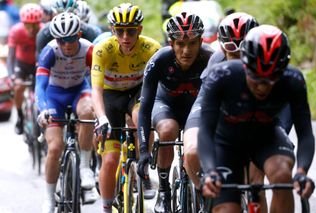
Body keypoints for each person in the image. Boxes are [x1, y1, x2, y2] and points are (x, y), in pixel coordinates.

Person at [198, 25, 315, 213]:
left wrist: (301, 172)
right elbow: (205, 130)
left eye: (271, 79)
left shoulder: (293, 80)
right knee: (228, 209)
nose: (262, 87)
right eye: (256, 78)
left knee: (283, 174)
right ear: (244, 65)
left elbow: (305, 133)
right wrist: (211, 171)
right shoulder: (221, 76)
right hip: (226, 143)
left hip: (266, 137)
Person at [183, 11, 269, 211]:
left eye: (244, 49)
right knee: (193, 152)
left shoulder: (267, 62)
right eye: (232, 50)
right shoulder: (216, 62)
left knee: (256, 182)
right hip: (214, 106)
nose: (238, 59)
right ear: (222, 46)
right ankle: (201, 192)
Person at [137, 12, 213, 213]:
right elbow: (145, 106)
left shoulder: (211, 58)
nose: (186, 50)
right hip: (166, 105)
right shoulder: (160, 59)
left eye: (192, 44)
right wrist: (144, 149)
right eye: (180, 44)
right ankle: (164, 191)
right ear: (171, 43)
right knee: (168, 129)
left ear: (201, 41)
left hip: (196, 108)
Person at [90, 3, 161, 212]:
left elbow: (158, 87)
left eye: (131, 30)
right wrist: (102, 118)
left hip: (137, 92)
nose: (125, 36)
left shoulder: (151, 48)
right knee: (110, 160)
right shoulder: (103, 49)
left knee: (141, 117)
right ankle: (105, 207)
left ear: (139, 29)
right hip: (111, 95)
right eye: (119, 31)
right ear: (112, 30)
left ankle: (144, 168)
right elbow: (96, 91)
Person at [35, 12, 97, 213]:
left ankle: (85, 167)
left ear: (78, 35)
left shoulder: (89, 50)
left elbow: (97, 83)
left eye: (71, 38)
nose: (67, 45)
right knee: (55, 148)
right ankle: (49, 199)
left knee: (88, 112)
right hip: (54, 96)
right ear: (56, 39)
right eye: (62, 40)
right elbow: (40, 86)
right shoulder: (50, 51)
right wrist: (44, 110)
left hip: (79, 90)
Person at [7, 3, 43, 135]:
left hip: (38, 65)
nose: (32, 29)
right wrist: (12, 76)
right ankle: (20, 116)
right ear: (23, 23)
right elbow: (11, 56)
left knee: (41, 90)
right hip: (21, 65)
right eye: (28, 24)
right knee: (18, 88)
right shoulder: (16, 31)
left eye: (35, 25)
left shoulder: (43, 30)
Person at [35, 0, 101, 59]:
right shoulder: (44, 34)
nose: (64, 20)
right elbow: (41, 61)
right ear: (52, 15)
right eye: (59, 15)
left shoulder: (90, 32)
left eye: (70, 15)